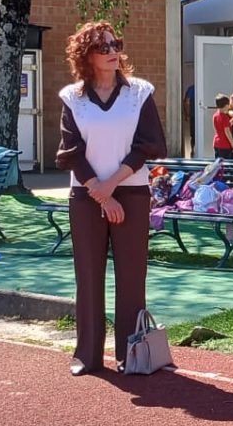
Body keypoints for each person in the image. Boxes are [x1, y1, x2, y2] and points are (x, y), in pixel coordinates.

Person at [53, 20, 165, 376]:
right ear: (86, 55)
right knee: (88, 276)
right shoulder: (72, 98)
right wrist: (101, 195)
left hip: (131, 194)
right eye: (103, 47)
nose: (113, 52)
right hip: (87, 196)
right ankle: (87, 355)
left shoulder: (140, 93)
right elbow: (70, 153)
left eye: (116, 44)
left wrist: (111, 187)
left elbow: (148, 145)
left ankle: (131, 354)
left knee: (132, 277)